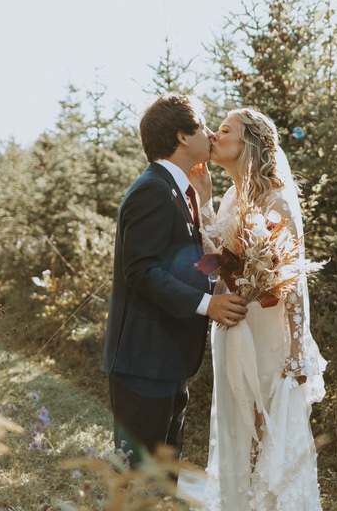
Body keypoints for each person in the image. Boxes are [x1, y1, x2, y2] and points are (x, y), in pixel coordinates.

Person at [188, 108, 326, 510]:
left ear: (248, 142)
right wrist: (207, 201)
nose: (214, 133)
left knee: (265, 429)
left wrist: (298, 350)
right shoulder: (232, 195)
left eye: (225, 129)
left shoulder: (276, 199)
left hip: (268, 330)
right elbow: (217, 259)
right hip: (233, 326)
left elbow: (295, 280)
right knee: (237, 427)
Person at [101, 93, 249, 468]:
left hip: (166, 359)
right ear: (183, 136)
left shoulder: (178, 191)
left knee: (161, 480)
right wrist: (208, 305)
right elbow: (141, 272)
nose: (211, 134)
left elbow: (178, 265)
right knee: (136, 483)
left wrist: (218, 286)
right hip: (143, 363)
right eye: (203, 126)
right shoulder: (153, 189)